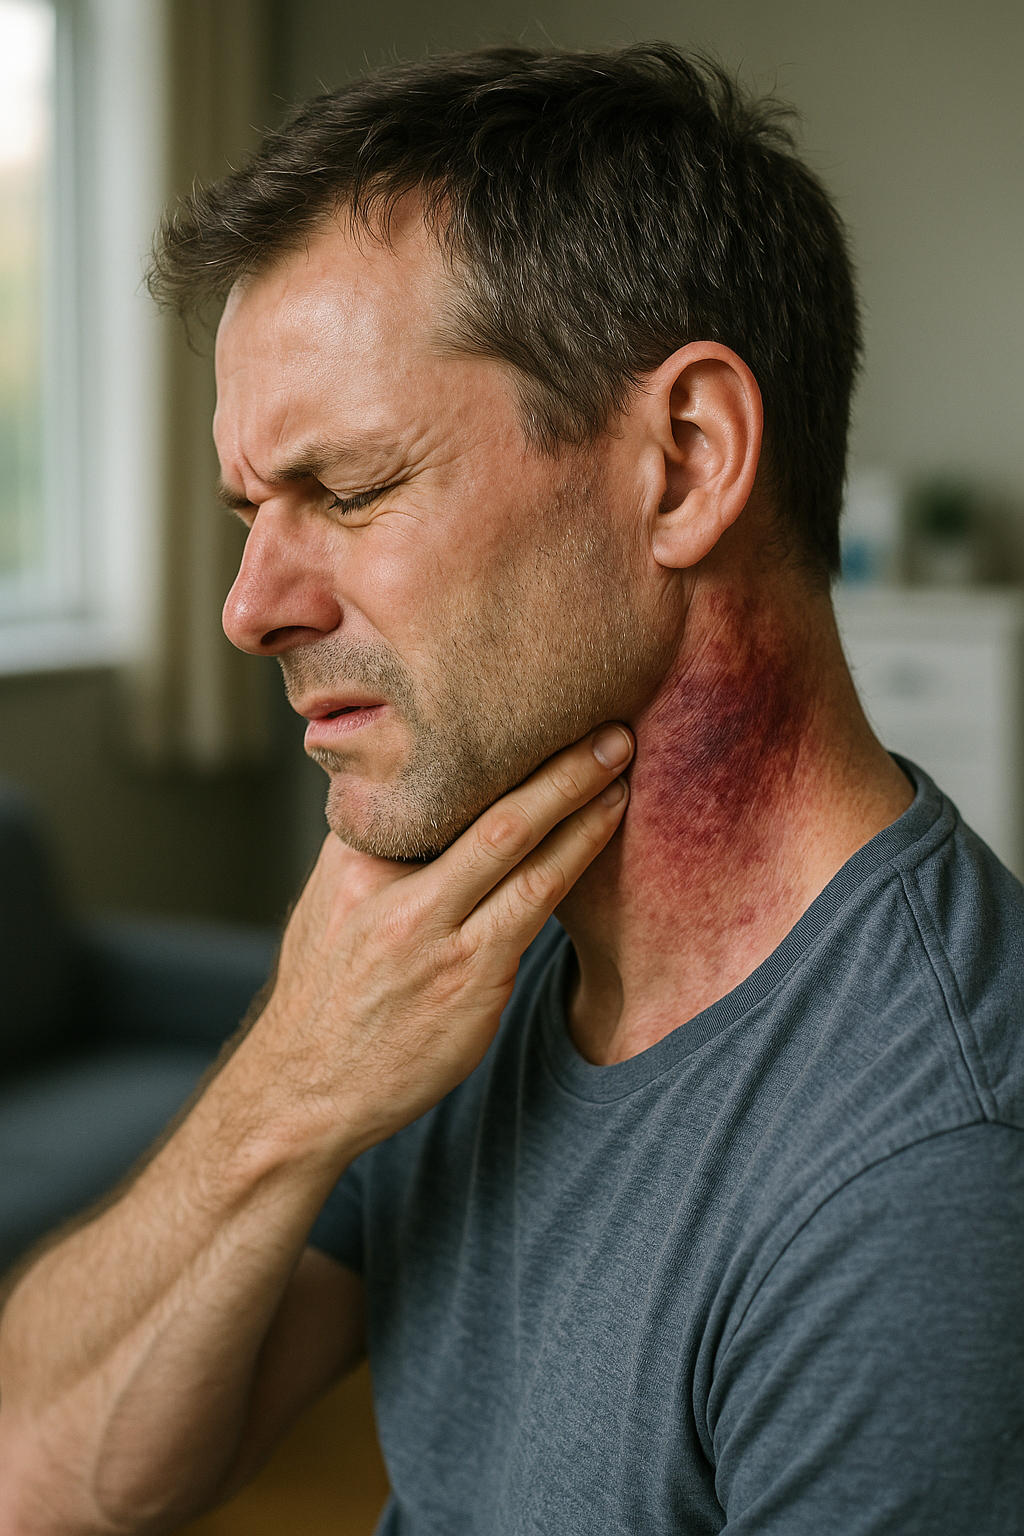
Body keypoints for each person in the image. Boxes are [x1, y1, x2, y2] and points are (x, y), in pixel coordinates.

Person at [0, 43, 1021, 1535]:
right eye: (250, 513)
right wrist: (288, 1083)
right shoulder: (464, 961)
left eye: (349, 490)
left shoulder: (925, 1185)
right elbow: (43, 1476)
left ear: (685, 463)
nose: (249, 608)